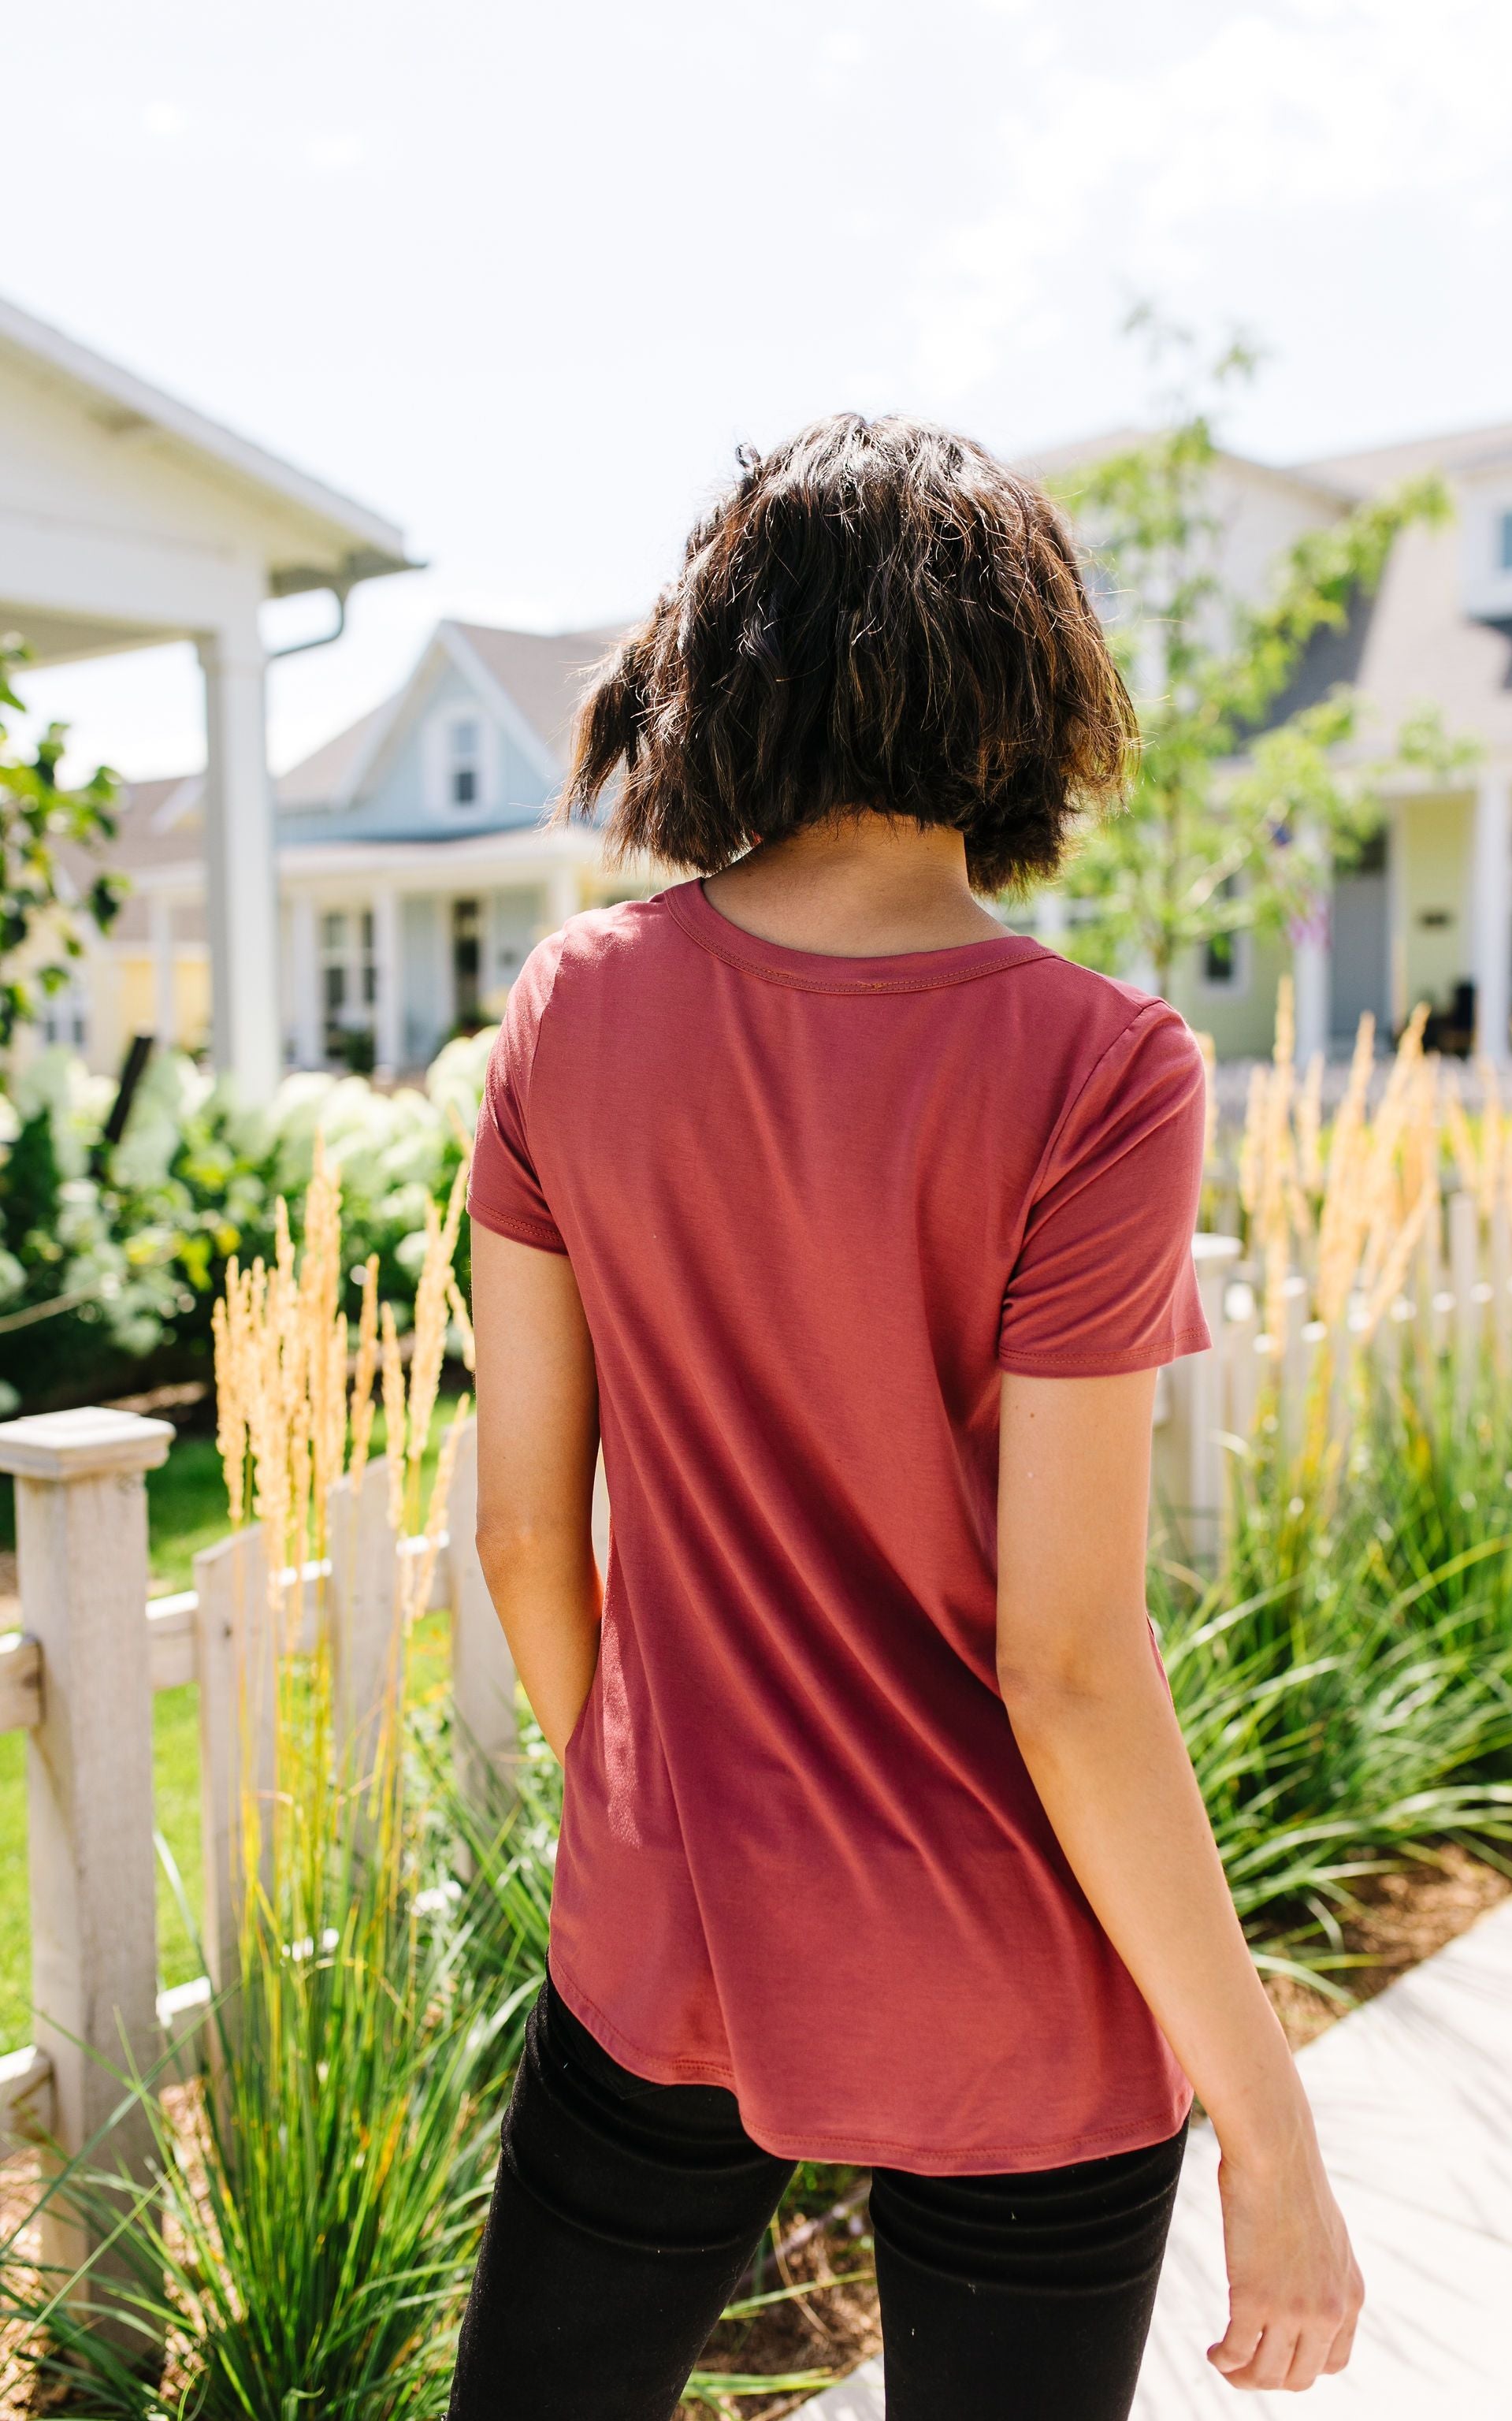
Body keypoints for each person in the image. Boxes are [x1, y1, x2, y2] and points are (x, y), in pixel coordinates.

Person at [449, 413, 1362, 2421]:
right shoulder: (1100, 1071)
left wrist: (651, 1809)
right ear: (1034, 687)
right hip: (1011, 1973)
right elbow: (1067, 1662)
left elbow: (522, 1534)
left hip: (669, 1926)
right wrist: (1269, 2129)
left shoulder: (570, 1009)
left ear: (717, 672)